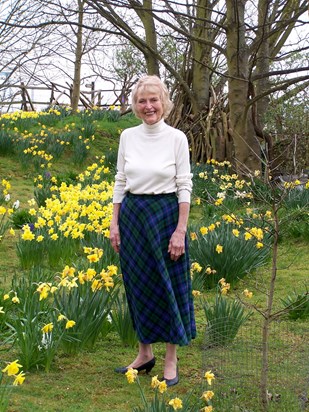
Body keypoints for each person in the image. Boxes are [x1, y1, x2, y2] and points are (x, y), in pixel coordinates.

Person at [110, 75, 196, 387]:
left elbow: (184, 185)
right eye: (142, 101)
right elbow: (121, 180)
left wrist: (180, 231)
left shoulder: (177, 139)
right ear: (135, 106)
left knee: (169, 285)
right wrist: (114, 222)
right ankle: (144, 354)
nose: (149, 106)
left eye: (154, 100)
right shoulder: (127, 137)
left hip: (165, 216)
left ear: (164, 103)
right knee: (138, 284)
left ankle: (171, 358)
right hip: (133, 217)